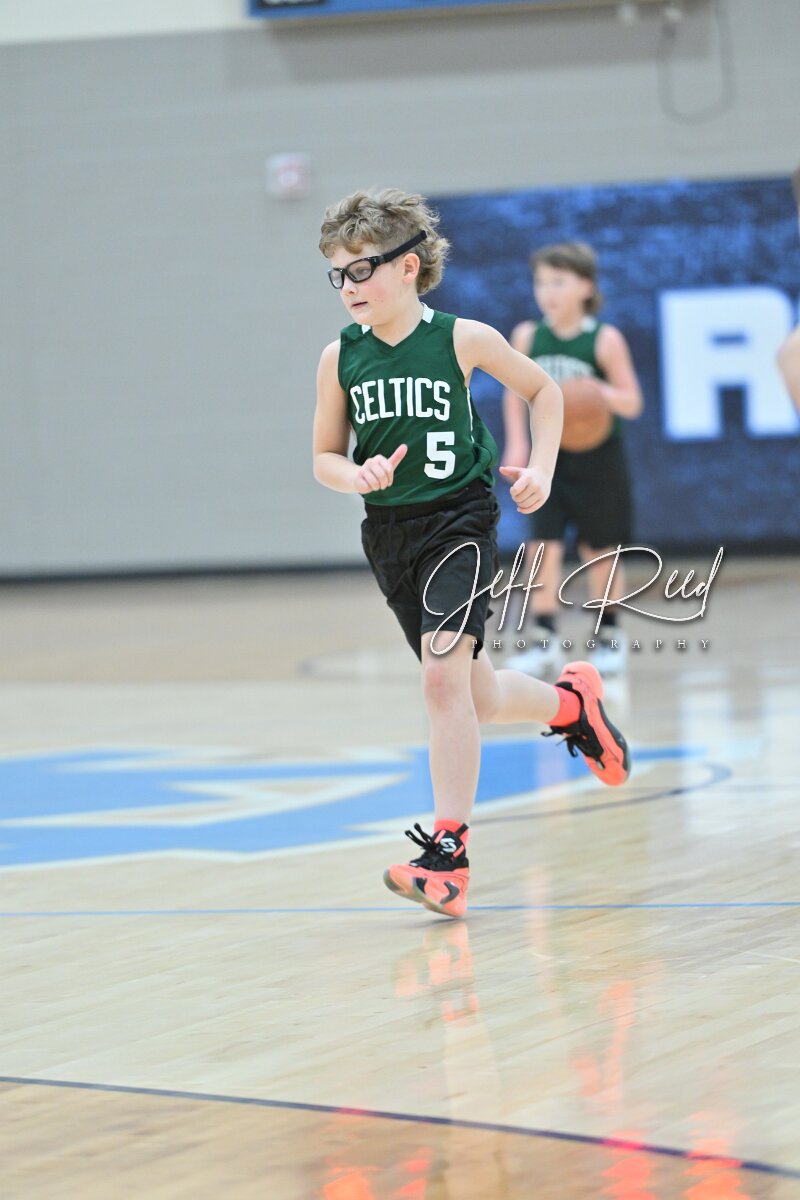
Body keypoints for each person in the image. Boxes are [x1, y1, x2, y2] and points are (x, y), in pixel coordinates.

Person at [313, 190, 630, 920]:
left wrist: (542, 467)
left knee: (439, 681)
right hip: (388, 533)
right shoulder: (339, 357)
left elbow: (544, 391)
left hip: (459, 521)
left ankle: (448, 856)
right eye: (338, 274)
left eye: (361, 270)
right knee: (473, 696)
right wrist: (354, 474)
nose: (349, 287)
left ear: (409, 266)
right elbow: (323, 457)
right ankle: (573, 705)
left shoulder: (463, 338)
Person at [502, 243, 643, 678]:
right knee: (542, 544)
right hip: (549, 456)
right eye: (541, 282)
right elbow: (514, 395)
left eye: (558, 282)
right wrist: (517, 443)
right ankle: (543, 638)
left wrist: (597, 393)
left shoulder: (604, 338)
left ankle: (610, 635)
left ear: (586, 286)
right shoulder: (527, 336)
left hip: (599, 458)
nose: (547, 292)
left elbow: (632, 401)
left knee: (600, 547)